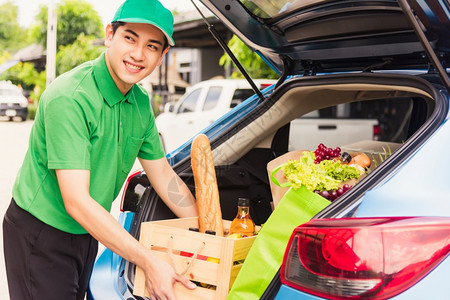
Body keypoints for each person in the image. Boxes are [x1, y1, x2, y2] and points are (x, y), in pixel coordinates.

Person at [2, 0, 198, 299]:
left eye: (151, 46)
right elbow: (77, 201)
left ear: (162, 56)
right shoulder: (70, 98)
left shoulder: (140, 103)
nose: (137, 54)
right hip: (40, 232)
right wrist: (148, 260)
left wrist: (208, 231)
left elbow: (164, 176)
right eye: (130, 38)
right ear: (110, 35)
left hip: (88, 229)